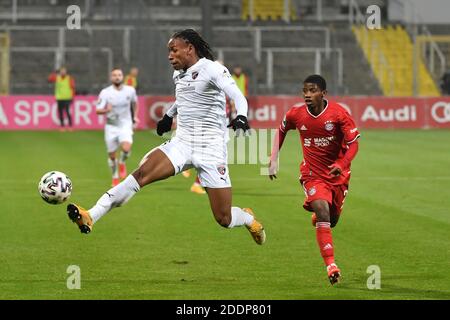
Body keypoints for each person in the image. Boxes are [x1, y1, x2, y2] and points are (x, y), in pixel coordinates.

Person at [66, 29, 265, 246]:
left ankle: (248, 219)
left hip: (211, 148)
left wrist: (242, 117)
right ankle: (92, 215)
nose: (170, 56)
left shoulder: (212, 69)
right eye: (168, 51)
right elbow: (184, 98)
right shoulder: (178, 73)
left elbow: (237, 95)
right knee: (141, 174)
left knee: (223, 218)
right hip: (183, 142)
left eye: (174, 50)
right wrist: (168, 116)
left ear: (190, 49)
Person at [268, 75, 360, 285]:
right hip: (312, 175)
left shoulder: (338, 114)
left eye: (312, 91)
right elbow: (281, 130)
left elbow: (354, 144)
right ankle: (331, 265)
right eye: (305, 91)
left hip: (338, 175)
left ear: (323, 93)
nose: (307, 95)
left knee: (331, 219)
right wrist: (273, 158)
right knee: (322, 210)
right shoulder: (296, 114)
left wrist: (341, 165)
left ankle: (322, 217)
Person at [95, 68, 139, 187]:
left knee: (126, 148)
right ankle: (115, 177)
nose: (117, 77)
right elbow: (97, 110)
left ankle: (122, 162)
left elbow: (135, 103)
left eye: (119, 74)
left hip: (125, 124)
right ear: (111, 78)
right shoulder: (105, 92)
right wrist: (106, 110)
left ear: (122, 76)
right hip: (111, 126)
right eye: (114, 75)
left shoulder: (130, 90)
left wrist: (135, 116)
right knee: (112, 155)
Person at [48, 67, 75, 132]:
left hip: (67, 98)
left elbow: (73, 88)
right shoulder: (57, 77)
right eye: (62, 71)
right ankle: (62, 126)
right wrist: (54, 72)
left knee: (67, 112)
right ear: (60, 72)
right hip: (59, 98)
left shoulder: (69, 78)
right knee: (60, 113)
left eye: (64, 71)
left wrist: (72, 97)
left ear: (66, 72)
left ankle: (70, 126)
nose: (63, 72)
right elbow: (49, 79)